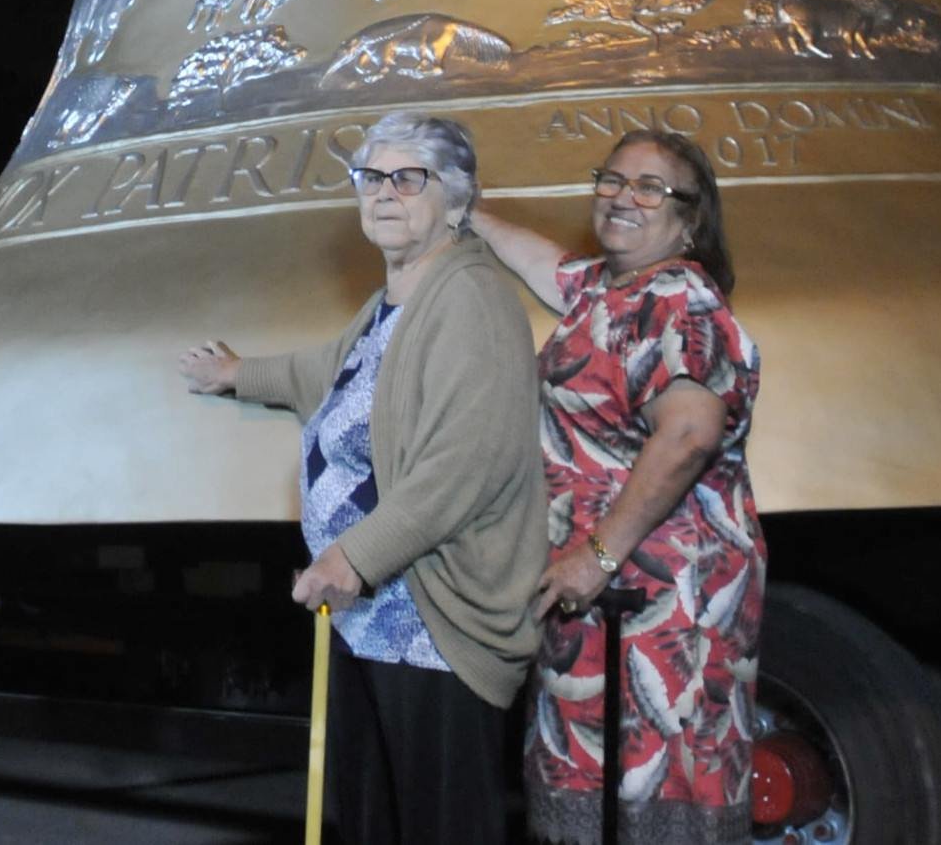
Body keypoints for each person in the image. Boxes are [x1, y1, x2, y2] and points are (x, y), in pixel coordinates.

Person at [177, 112, 542, 844]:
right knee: (374, 820)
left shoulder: (471, 298)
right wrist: (235, 374)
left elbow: (465, 463)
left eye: (409, 179)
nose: (384, 193)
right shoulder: (393, 303)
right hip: (369, 619)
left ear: (458, 199)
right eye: (371, 178)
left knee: (439, 827)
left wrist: (353, 557)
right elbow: (327, 372)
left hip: (433, 624)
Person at [470, 129, 764, 845]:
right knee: (591, 788)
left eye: (649, 187)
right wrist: (463, 208)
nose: (622, 197)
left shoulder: (679, 300)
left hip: (663, 599)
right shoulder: (605, 288)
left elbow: (691, 432)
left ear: (689, 219)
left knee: (654, 792)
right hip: (602, 594)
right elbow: (543, 261)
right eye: (611, 179)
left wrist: (596, 556)